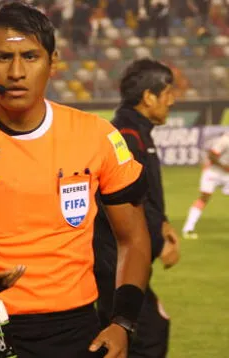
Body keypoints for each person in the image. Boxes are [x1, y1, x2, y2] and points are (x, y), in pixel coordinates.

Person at [0, 3, 152, 358]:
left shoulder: (97, 136)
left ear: (53, 61)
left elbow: (134, 238)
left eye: (30, 57)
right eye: (3, 57)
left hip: (76, 334)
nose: (17, 71)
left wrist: (123, 322)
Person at [93, 59, 179, 358]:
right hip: (116, 261)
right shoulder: (126, 137)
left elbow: (147, 195)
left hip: (120, 259)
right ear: (148, 97)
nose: (173, 99)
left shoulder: (136, 132)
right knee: (149, 332)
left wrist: (164, 225)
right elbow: (131, 202)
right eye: (168, 91)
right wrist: (159, 238)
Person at [182, 131, 229, 239]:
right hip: (213, 173)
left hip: (227, 175)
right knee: (204, 198)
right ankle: (188, 228)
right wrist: (224, 167)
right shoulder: (225, 140)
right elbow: (212, 155)